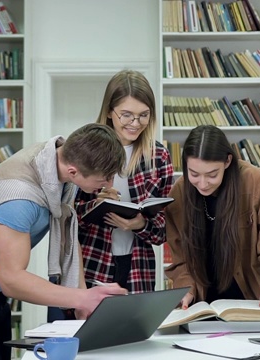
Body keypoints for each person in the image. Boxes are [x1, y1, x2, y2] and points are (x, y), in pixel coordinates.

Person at [0, 123, 128, 360]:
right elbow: (11, 280)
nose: (109, 185)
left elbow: (68, 233)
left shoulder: (55, 157)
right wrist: (82, 297)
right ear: (73, 171)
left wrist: (82, 296)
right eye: (105, 178)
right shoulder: (19, 200)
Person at [164, 125, 260, 313]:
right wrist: (185, 289)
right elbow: (181, 259)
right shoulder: (180, 191)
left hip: (255, 300)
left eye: (212, 174)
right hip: (202, 306)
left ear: (227, 161)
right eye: (194, 174)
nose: (202, 184)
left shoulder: (255, 182)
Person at [75, 70, 173, 293]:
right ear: (110, 111)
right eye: (126, 115)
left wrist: (141, 225)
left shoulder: (158, 156)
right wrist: (96, 205)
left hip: (138, 266)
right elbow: (66, 220)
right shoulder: (85, 149)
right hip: (93, 263)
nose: (136, 123)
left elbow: (167, 228)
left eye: (144, 115)